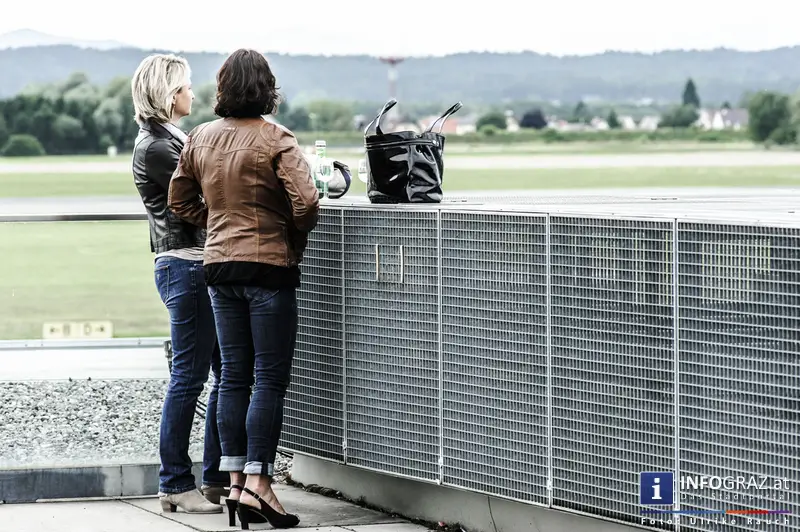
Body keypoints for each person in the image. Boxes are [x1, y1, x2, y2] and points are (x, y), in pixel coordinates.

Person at [168, 49, 319, 529]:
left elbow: (178, 199)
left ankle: (234, 482)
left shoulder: (200, 137)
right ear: (267, 89)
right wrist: (289, 238)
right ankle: (261, 486)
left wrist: (214, 223)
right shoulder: (277, 138)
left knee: (232, 376)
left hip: (219, 268)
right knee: (269, 380)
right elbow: (307, 200)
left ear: (222, 88)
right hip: (268, 268)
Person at [131, 53, 227, 514]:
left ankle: (212, 478)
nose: (194, 94)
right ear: (170, 95)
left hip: (195, 265)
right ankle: (175, 483)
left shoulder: (171, 139)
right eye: (187, 87)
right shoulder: (157, 147)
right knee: (189, 377)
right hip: (186, 266)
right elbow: (200, 199)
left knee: (223, 374)